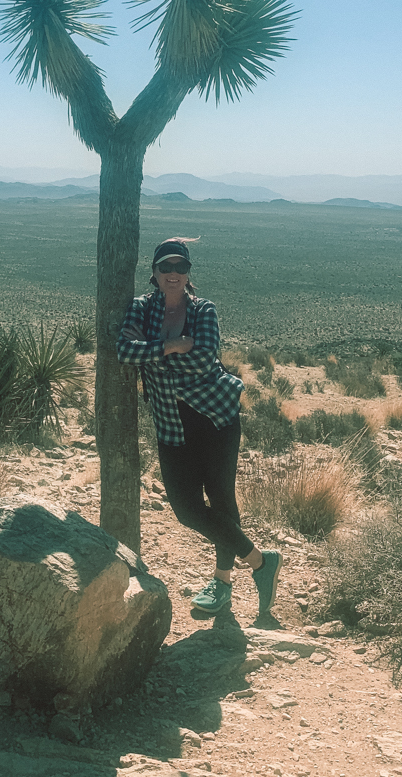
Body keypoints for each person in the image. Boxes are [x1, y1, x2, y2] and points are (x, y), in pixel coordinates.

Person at [116, 237, 282, 618]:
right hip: (172, 424)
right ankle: (261, 561)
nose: (173, 274)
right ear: (155, 272)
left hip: (214, 417)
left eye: (181, 267)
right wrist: (175, 346)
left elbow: (205, 361)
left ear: (189, 274)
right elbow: (124, 351)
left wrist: (153, 350)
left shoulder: (204, 309)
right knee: (187, 509)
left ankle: (222, 582)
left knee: (222, 500)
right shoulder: (141, 308)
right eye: (166, 267)